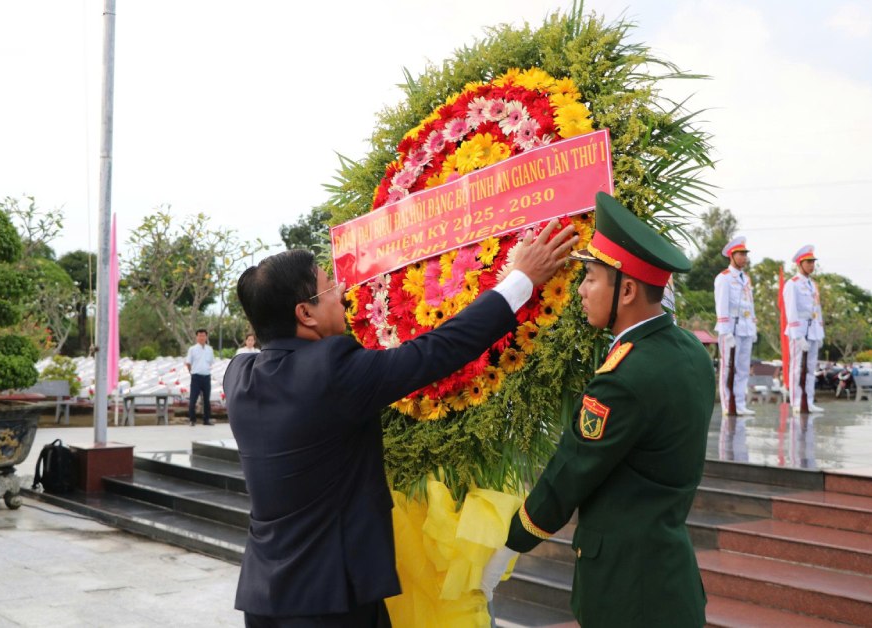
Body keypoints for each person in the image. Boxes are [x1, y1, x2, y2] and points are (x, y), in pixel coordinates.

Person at [223, 220, 578, 627]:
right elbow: (437, 350)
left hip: (265, 596)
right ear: (305, 313)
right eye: (327, 288)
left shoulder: (239, 375)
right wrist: (521, 280)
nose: (341, 293)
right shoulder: (330, 373)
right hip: (330, 602)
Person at [481, 192, 715, 628]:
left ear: (626, 290)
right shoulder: (689, 351)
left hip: (627, 591)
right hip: (670, 576)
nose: (581, 291)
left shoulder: (624, 377)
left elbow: (572, 469)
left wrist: (509, 544)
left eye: (590, 277)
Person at [714, 236, 757, 416]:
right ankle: (727, 404)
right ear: (732, 255)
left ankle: (739, 403)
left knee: (742, 368)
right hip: (731, 329)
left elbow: (750, 304)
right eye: (740, 254)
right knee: (727, 368)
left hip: (746, 327)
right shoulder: (724, 278)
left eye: (745, 254)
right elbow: (721, 305)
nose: (744, 258)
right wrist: (726, 331)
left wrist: (753, 328)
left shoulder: (745, 278)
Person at [782, 245, 825, 413]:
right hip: (799, 331)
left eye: (813, 262)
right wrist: (798, 336)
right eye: (808, 262)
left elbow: (817, 309)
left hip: (813, 329)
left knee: (810, 369)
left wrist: (820, 333)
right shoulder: (792, 284)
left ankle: (808, 400)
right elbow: (791, 311)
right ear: (799, 263)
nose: (811, 265)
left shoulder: (812, 284)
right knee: (798, 367)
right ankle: (796, 401)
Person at [185, 328, 215, 426]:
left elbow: (211, 362)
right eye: (200, 335)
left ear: (206, 337)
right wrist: (191, 372)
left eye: (203, 335)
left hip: (206, 376)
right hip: (196, 377)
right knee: (193, 399)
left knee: (207, 399)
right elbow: (188, 363)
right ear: (197, 337)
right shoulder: (192, 349)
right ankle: (192, 419)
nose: (202, 337)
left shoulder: (209, 349)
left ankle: (206, 419)